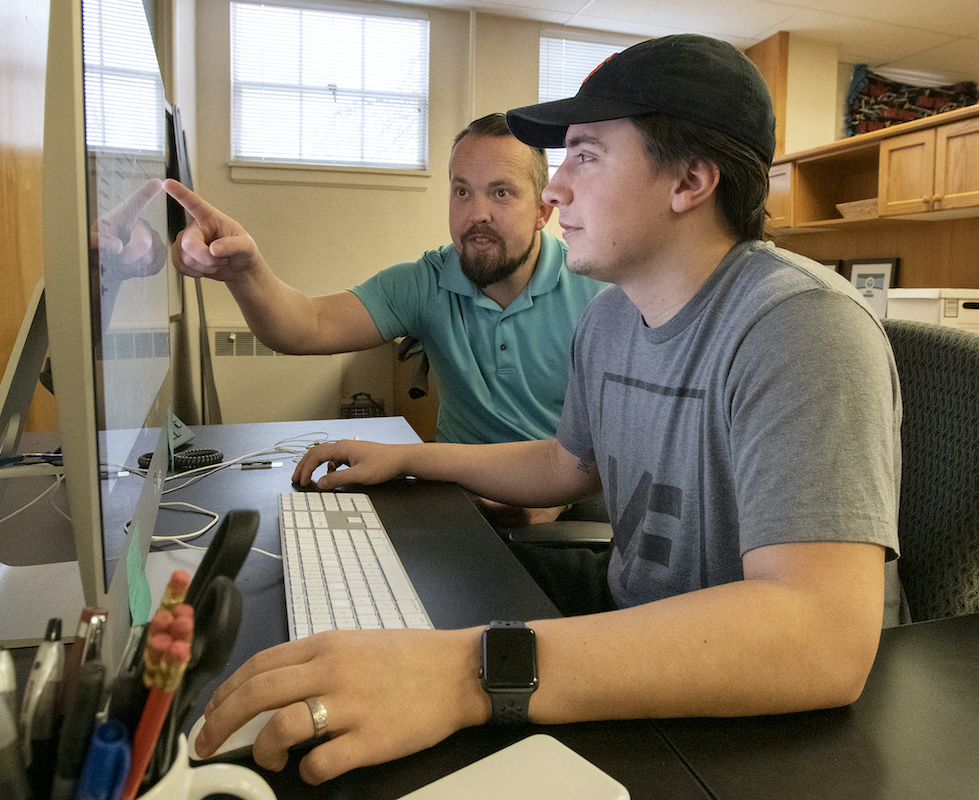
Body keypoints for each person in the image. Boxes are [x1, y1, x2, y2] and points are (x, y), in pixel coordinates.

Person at [188, 34, 903, 786]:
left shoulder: (800, 325)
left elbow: (820, 640)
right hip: (636, 636)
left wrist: (469, 674)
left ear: (690, 180)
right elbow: (569, 463)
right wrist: (410, 455)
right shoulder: (615, 318)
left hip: (773, 721)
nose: (555, 190)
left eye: (586, 156)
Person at [164, 114, 606, 524]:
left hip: (566, 509)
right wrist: (247, 271)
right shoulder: (427, 281)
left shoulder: (599, 291)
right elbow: (305, 325)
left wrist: (554, 501)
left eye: (502, 193)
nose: (477, 215)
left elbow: (624, 445)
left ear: (543, 212)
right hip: (458, 500)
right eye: (462, 191)